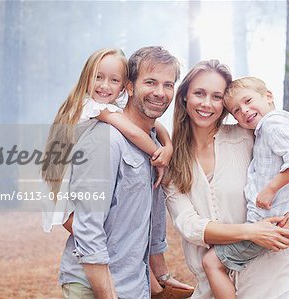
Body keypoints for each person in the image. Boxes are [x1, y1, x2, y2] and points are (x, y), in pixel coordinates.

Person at [164, 60, 289, 298]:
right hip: (212, 286)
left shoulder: (248, 136)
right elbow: (190, 226)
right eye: (199, 93)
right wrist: (250, 232)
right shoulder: (173, 161)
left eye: (216, 96)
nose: (206, 104)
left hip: (269, 276)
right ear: (184, 97)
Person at [56, 46, 192, 299]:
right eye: (150, 82)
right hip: (94, 286)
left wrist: (160, 276)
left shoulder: (154, 143)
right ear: (129, 87)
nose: (160, 93)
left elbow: (148, 219)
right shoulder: (106, 140)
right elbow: (87, 229)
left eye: (168, 84)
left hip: (133, 284)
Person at [201, 76, 289, 298]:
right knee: (288, 275)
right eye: (235, 110)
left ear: (268, 96)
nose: (243, 110)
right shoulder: (263, 130)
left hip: (274, 221)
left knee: (212, 262)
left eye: (248, 100)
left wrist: (271, 188)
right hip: (284, 217)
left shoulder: (272, 124)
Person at [42, 48, 173, 234]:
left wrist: (168, 146)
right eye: (98, 77)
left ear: (123, 87)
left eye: (114, 80)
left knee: (97, 234)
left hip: (76, 175)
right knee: (90, 234)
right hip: (67, 180)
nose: (105, 86)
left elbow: (157, 126)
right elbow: (133, 132)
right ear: (86, 77)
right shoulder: (91, 106)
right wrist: (157, 156)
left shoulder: (108, 106)